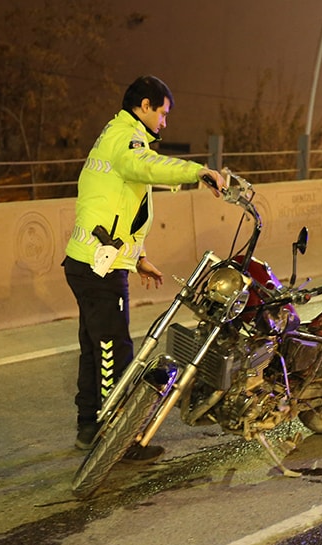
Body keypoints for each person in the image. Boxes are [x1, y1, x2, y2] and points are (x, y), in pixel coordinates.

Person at [64, 75, 225, 450]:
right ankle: (116, 439)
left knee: (94, 349)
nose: (165, 122)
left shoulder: (113, 134)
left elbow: (114, 208)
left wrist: (138, 260)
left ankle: (90, 428)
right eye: (163, 113)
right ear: (146, 106)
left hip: (89, 261)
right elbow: (149, 167)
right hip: (98, 268)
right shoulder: (128, 139)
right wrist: (197, 171)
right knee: (114, 353)